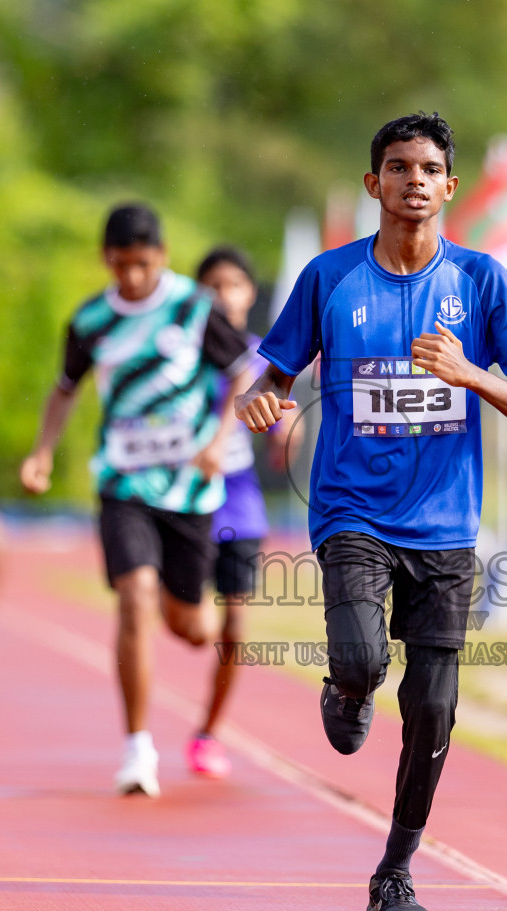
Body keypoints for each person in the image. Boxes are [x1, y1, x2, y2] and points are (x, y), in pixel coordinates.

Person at [236, 112, 507, 911]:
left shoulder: (483, 284)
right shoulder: (330, 278)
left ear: (450, 188)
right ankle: (348, 684)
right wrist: (260, 401)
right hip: (350, 511)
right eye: (397, 166)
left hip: (446, 529)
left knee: (435, 708)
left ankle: (395, 872)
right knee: (360, 656)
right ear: (372, 183)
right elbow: (266, 377)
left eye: (428, 169)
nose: (413, 180)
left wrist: (471, 374)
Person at [20, 203, 252, 798]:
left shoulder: (194, 310)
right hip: (123, 483)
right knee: (134, 595)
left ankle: (191, 620)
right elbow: (64, 388)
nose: (131, 279)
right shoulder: (92, 320)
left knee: (194, 626)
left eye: (143, 266)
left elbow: (243, 375)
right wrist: (44, 450)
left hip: (191, 490)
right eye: (121, 266)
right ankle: (136, 748)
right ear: (106, 259)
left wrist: (218, 442)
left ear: (163, 258)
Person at [189, 246, 294, 777]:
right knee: (192, 623)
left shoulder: (264, 360)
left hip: (240, 508)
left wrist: (286, 440)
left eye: (233, 284)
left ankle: (208, 732)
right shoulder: (182, 354)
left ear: (249, 293)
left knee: (234, 629)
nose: (222, 295)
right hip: (182, 506)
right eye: (211, 285)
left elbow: (281, 439)